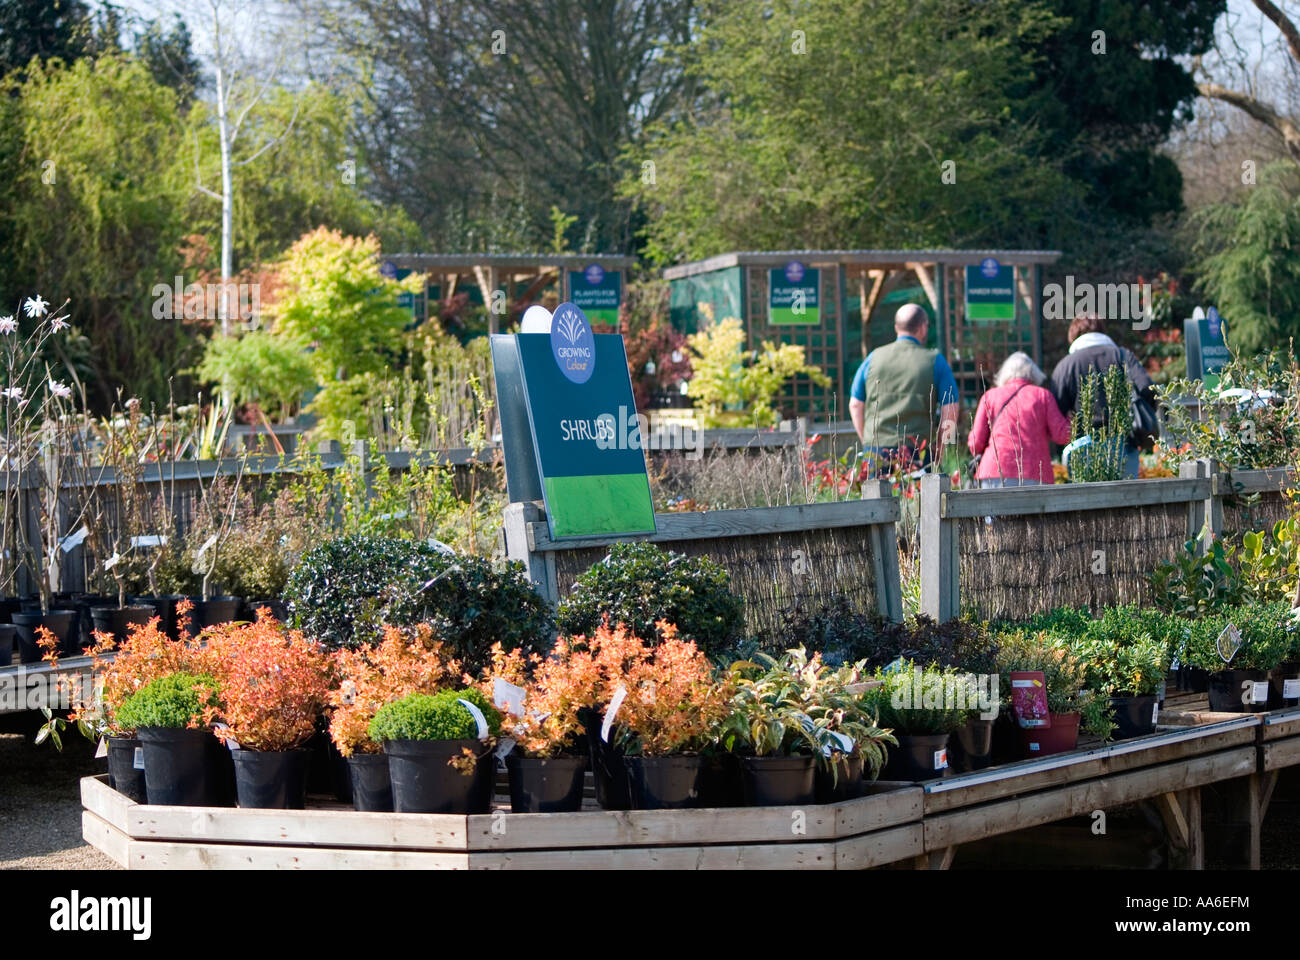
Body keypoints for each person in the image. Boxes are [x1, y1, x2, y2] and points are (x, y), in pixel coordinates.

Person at [848, 303, 958, 475]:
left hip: (876, 449)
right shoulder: (936, 361)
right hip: (918, 450)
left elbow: (855, 404)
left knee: (876, 500)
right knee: (919, 500)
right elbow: (950, 410)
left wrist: (867, 440)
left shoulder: (873, 358)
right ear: (922, 328)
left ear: (896, 327)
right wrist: (941, 447)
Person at [1048, 314, 1157, 479]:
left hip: (1083, 447)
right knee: (1125, 501)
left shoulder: (1066, 365)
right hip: (1124, 445)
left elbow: (1056, 410)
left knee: (1088, 503)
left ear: (1073, 336)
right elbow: (1147, 388)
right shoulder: (1122, 356)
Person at [968, 352, 1071, 487]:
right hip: (1035, 473)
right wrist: (1071, 416)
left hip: (994, 473)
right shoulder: (1043, 396)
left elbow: (975, 444)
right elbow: (1063, 435)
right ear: (1033, 373)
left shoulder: (990, 397)